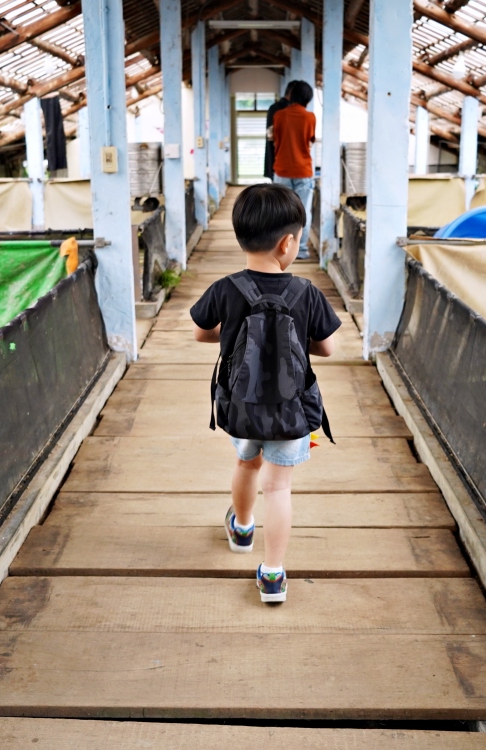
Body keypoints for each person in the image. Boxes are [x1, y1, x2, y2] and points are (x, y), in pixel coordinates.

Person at [191, 184, 341, 603]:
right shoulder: (306, 292)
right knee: (279, 488)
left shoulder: (226, 288)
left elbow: (203, 333)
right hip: (293, 412)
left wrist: (235, 334)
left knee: (247, 462)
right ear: (288, 243)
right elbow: (327, 347)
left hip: (241, 407)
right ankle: (273, 575)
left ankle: (241, 529)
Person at [272, 80, 316, 259]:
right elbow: (310, 140)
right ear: (307, 98)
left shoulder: (279, 116)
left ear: (292, 95)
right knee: (303, 212)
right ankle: (302, 250)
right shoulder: (310, 117)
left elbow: (276, 140)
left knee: (281, 213)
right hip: (303, 170)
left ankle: (279, 249)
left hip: (282, 169)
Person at [264, 81, 296, 180]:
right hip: (284, 161)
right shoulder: (284, 110)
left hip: (276, 160)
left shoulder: (273, 108)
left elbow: (270, 135)